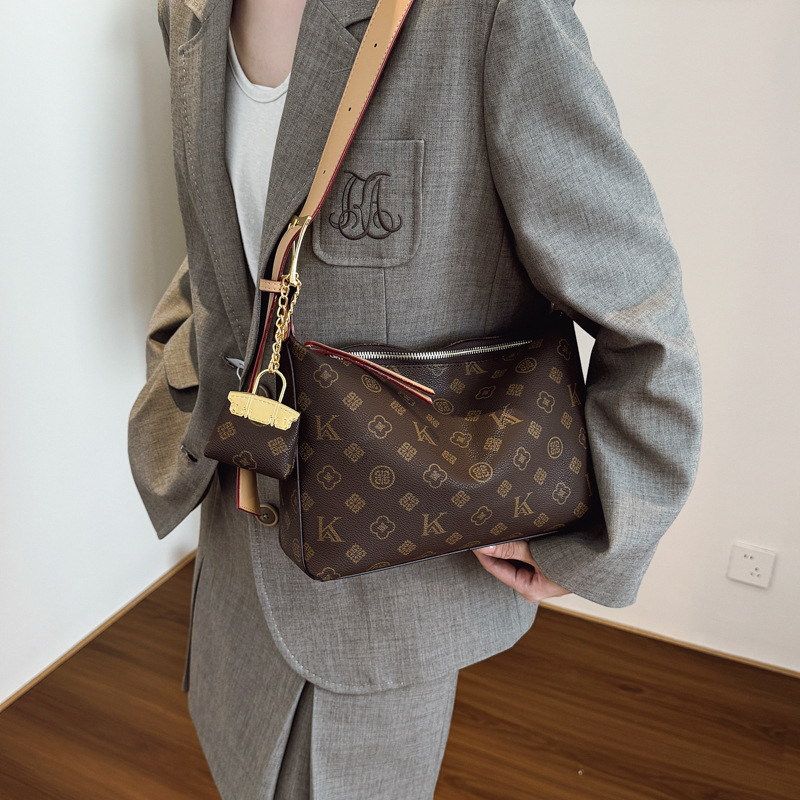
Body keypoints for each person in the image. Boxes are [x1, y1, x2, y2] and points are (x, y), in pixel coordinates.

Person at [128, 0, 702, 797]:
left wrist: (603, 530)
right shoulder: (185, 8)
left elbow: (639, 305)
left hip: (391, 578)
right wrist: (178, 370)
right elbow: (225, 239)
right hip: (232, 533)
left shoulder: (490, 14)